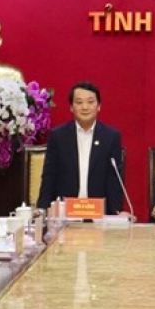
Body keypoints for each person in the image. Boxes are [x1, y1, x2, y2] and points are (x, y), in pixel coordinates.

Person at [36, 82, 127, 216]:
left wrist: (116, 212)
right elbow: (49, 175)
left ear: (99, 106)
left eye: (90, 102)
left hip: (99, 214)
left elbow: (114, 179)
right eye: (79, 102)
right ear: (71, 107)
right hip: (65, 213)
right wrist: (42, 208)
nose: (85, 107)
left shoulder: (111, 136)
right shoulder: (58, 136)